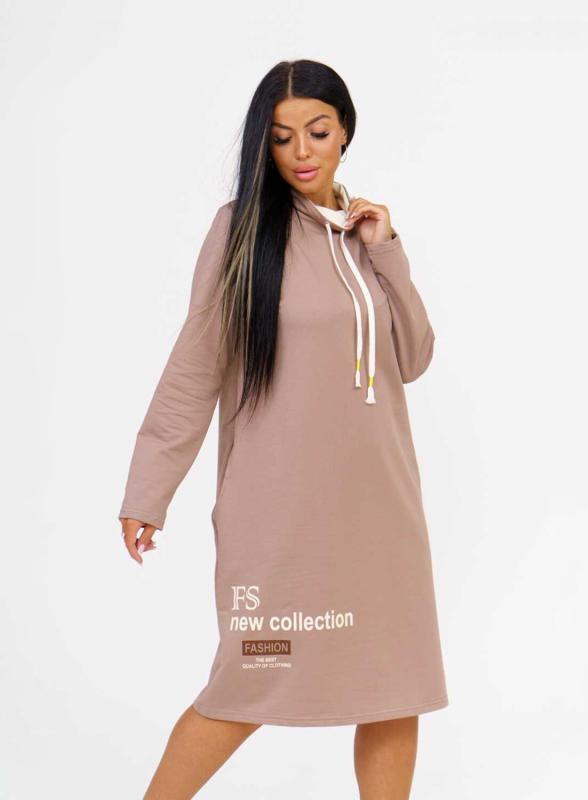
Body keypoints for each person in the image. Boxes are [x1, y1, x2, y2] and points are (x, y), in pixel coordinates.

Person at [118, 58, 449, 800]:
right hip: (278, 517)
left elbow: (415, 356)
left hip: (381, 516)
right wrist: (149, 489)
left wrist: (386, 247)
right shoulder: (241, 231)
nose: (301, 152)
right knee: (246, 685)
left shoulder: (366, 236)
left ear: (345, 132)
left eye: (318, 132)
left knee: (392, 688)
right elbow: (194, 365)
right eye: (280, 136)